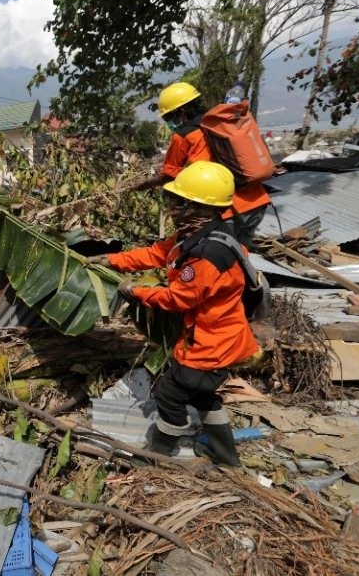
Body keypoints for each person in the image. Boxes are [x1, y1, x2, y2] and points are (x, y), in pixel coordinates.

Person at [87, 161, 260, 467]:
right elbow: (155, 254)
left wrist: (135, 292)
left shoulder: (209, 254)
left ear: (198, 207)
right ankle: (226, 455)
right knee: (202, 397)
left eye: (179, 202)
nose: (172, 207)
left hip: (213, 344)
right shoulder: (197, 237)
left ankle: (158, 453)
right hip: (212, 337)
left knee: (169, 394)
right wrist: (112, 261)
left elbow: (180, 298)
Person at [133, 82, 271, 245]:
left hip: (228, 211)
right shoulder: (219, 125)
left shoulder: (184, 135)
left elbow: (168, 175)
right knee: (238, 258)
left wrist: (142, 184)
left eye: (169, 117)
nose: (169, 122)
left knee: (214, 260)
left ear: (181, 111)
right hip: (258, 203)